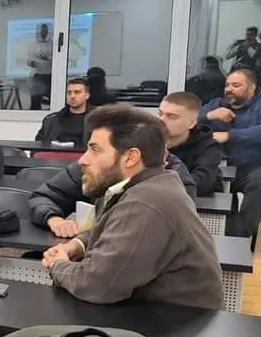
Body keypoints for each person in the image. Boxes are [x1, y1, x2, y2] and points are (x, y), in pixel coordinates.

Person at [41, 106, 223, 310]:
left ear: (130, 158)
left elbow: (96, 285)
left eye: (95, 150)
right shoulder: (151, 185)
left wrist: (58, 264)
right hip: (156, 313)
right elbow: (118, 229)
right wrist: (78, 245)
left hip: (171, 324)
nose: (83, 160)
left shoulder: (146, 202)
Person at [200, 68, 261, 238]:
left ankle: (238, 236)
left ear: (251, 88)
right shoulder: (215, 104)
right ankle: (214, 234)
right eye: (227, 85)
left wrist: (230, 135)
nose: (229, 89)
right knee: (200, 178)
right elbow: (188, 122)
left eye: (236, 85)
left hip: (251, 168)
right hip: (219, 168)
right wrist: (209, 116)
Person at [28, 154, 197, 236]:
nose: (83, 159)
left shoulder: (175, 185)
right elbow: (45, 196)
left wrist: (61, 262)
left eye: (96, 149)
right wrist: (53, 218)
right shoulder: (93, 167)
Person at [157, 92, 222, 196]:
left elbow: (201, 182)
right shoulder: (147, 139)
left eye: (171, 116)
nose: (161, 120)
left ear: (191, 123)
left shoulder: (208, 147)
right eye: (160, 114)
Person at [35, 77, 91, 145]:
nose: (72, 96)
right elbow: (38, 145)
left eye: (77, 92)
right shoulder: (52, 120)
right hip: (55, 151)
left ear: (87, 95)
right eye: (69, 93)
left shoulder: (97, 121)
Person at [28, 23, 53, 110]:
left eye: (45, 31)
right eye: (41, 31)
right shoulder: (33, 44)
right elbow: (29, 59)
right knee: (35, 100)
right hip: (38, 75)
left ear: (48, 32)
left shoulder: (53, 44)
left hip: (50, 76)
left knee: (52, 101)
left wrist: (47, 58)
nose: (43, 33)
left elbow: (59, 60)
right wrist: (31, 63)